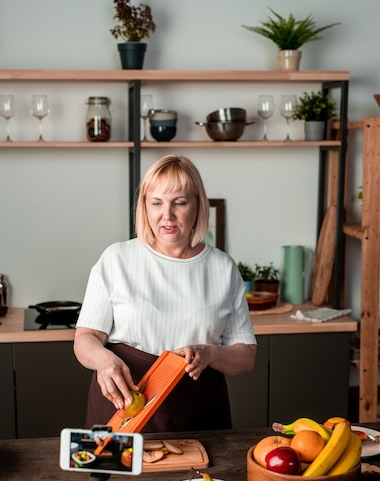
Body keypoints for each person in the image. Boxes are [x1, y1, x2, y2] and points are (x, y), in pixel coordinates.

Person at [74, 154, 257, 432]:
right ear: (145, 207)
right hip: (121, 413)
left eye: (180, 202)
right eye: (156, 203)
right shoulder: (116, 259)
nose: (167, 215)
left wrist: (210, 354)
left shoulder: (223, 268)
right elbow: (85, 338)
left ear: (198, 205)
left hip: (200, 417)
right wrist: (103, 360)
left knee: (202, 477)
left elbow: (246, 357)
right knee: (112, 477)